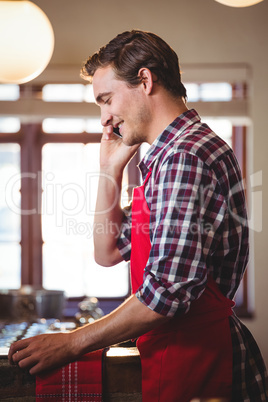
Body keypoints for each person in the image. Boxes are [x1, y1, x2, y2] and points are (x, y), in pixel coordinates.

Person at [9, 30, 268, 401]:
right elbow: (108, 251)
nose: (104, 119)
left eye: (106, 99)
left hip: (204, 361)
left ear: (145, 80)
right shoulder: (168, 156)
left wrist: (71, 344)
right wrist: (109, 169)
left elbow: (166, 293)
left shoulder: (184, 157)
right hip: (180, 353)